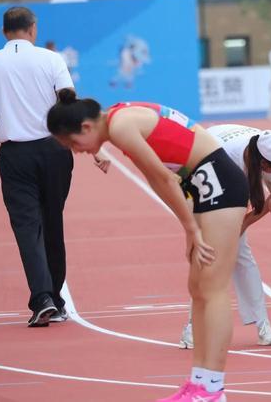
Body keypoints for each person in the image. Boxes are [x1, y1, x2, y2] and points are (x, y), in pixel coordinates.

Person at [47, 93, 249, 402]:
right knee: (197, 287)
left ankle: (213, 388)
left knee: (213, 287)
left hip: (220, 183)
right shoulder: (117, 121)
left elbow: (163, 179)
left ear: (86, 127)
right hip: (202, 187)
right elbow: (164, 179)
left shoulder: (121, 126)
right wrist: (189, 225)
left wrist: (191, 227)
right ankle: (198, 384)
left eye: (73, 144)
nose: (77, 152)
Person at [0, 7, 106, 328]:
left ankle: (42, 299)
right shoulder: (51, 59)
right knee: (52, 221)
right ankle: (56, 297)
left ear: (3, 32)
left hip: (13, 155)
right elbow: (68, 100)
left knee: (27, 227)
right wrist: (87, 143)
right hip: (54, 150)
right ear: (33, 29)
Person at [178, 124, 271, 348]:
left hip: (221, 166)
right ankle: (191, 328)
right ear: (264, 162)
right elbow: (237, 224)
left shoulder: (265, 145)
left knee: (242, 256)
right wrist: (264, 209)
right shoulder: (228, 163)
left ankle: (263, 326)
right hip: (197, 180)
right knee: (210, 256)